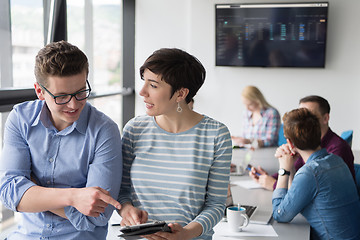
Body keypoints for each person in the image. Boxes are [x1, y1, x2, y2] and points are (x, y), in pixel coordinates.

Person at [0, 41, 122, 240]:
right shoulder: (20, 119)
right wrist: (74, 197)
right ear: (40, 92)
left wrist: (33, 190)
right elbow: (9, 193)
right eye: (62, 96)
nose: (74, 104)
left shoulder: (104, 130)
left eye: (81, 92)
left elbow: (97, 216)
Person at [117, 48, 232, 240]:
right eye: (144, 82)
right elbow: (122, 190)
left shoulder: (216, 135)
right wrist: (127, 210)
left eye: (153, 85)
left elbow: (216, 204)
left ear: (181, 94)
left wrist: (187, 233)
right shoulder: (134, 129)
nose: (142, 92)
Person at [272, 108, 360, 240]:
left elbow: (280, 214)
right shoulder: (336, 160)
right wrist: (290, 167)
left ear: (289, 142)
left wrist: (283, 169)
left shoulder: (310, 173)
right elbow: (293, 200)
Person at [249, 95, 355, 190]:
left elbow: (315, 189)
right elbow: (295, 169)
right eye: (300, 115)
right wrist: (268, 178)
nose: (302, 121)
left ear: (325, 118)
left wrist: (274, 184)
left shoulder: (337, 148)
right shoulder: (305, 142)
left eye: (309, 116)